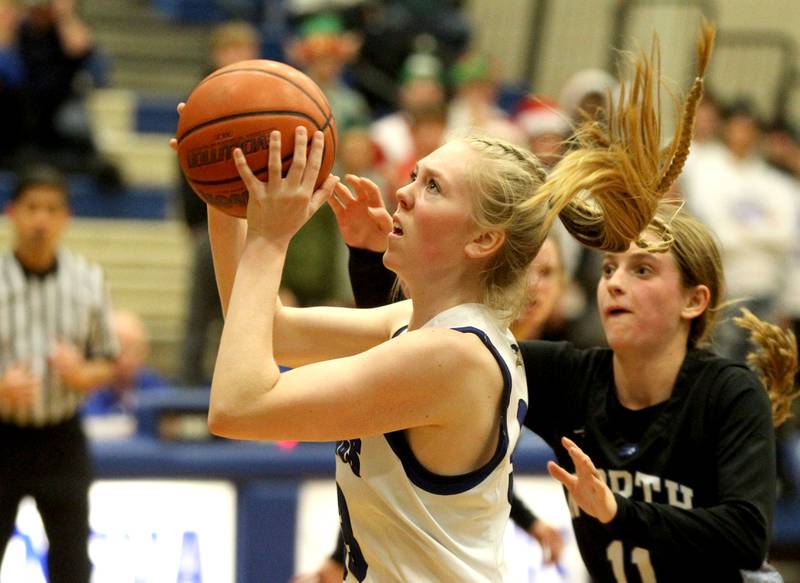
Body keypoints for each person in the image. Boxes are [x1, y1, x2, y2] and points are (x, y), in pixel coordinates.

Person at [184, 30, 670, 574]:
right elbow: (264, 330)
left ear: (483, 240)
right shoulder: (418, 326)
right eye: (415, 175)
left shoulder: (453, 358)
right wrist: (227, 198)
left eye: (434, 187)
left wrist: (271, 240)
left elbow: (237, 407)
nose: (404, 191)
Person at [341, 23, 800, 582]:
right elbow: (411, 355)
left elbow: (747, 535)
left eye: (643, 270)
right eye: (609, 268)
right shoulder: (574, 378)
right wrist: (370, 257)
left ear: (693, 300)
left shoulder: (726, 393)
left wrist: (616, 511)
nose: (615, 283)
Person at [0, 164, 118, 582]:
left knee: (71, 564)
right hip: (4, 437)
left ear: (65, 216)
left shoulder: (88, 280)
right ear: (12, 212)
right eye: (32, 207)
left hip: (62, 437)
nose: (41, 219)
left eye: (51, 209)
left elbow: (109, 361)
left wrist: (82, 374)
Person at [82, 309, 168, 418]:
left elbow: (169, 422)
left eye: (135, 350)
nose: (126, 359)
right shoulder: (90, 386)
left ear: (145, 351)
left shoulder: (153, 384)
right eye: (120, 350)